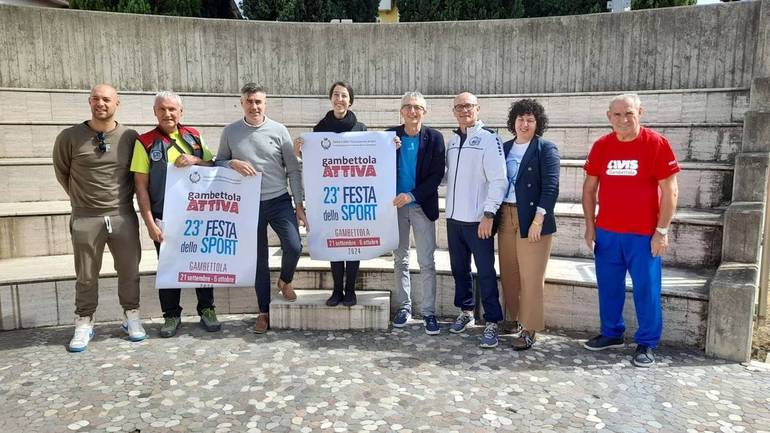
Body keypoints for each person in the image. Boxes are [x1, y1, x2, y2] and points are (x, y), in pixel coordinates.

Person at [582, 93, 679, 368]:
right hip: (608, 232)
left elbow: (670, 191)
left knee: (646, 289)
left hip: (643, 235)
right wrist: (591, 225)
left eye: (629, 114)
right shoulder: (602, 146)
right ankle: (612, 333)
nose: (623, 120)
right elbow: (589, 189)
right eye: (618, 115)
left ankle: (647, 342)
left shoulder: (656, 144)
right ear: (609, 117)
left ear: (640, 113)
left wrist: (662, 230)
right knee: (609, 287)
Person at [53, 84, 145, 352]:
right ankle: (84, 321)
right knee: (86, 274)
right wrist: (82, 201)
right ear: (89, 102)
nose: (101, 103)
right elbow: (63, 173)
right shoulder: (69, 137)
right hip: (86, 218)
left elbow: (136, 174)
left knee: (129, 270)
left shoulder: (130, 136)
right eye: (95, 99)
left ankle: (132, 317)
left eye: (106, 99)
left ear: (117, 103)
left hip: (122, 215)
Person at [216, 83, 306, 334]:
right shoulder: (231, 132)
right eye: (249, 101)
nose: (254, 106)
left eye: (259, 102)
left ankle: (285, 280)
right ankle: (263, 312)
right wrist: (231, 163)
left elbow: (293, 170)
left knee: (294, 245)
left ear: (265, 104)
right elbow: (218, 162)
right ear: (241, 102)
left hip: (278, 200)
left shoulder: (279, 130)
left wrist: (298, 205)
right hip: (246, 204)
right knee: (259, 260)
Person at [130, 91, 219, 338]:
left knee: (202, 263)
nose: (167, 114)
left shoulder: (194, 136)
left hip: (197, 214)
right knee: (168, 267)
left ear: (181, 112)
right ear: (155, 112)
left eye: (172, 109)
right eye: (162, 109)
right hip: (163, 216)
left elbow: (213, 165)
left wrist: (195, 160)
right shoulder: (144, 142)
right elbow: (140, 187)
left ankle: (207, 309)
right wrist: (149, 223)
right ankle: (171, 315)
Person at [294, 81, 367, 307]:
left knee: (353, 243)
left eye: (344, 95)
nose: (339, 99)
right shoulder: (319, 129)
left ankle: (351, 290)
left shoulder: (361, 128)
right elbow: (315, 161)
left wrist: (389, 144)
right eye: (336, 95)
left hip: (353, 194)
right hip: (330, 195)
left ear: (350, 100)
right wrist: (299, 151)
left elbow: (370, 156)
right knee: (336, 243)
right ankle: (336, 291)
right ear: (330, 99)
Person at [445, 92, 507, 348]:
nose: (463, 110)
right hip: (453, 219)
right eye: (459, 106)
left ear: (477, 109)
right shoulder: (451, 141)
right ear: (454, 111)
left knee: (485, 272)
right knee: (459, 270)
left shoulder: (489, 139)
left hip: (479, 220)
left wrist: (489, 214)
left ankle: (492, 321)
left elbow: (499, 179)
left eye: (468, 105)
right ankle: (467, 312)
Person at [496, 99, 560, 351]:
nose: (525, 123)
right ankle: (513, 318)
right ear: (513, 122)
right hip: (506, 215)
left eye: (530, 120)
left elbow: (551, 187)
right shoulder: (505, 147)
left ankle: (529, 328)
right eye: (521, 119)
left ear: (538, 123)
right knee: (509, 272)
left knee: (531, 276)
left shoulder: (546, 148)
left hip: (532, 218)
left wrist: (539, 219)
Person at [388, 92, 445, 335]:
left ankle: (429, 312)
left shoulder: (434, 138)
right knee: (400, 259)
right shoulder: (389, 136)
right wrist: (388, 149)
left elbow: (435, 177)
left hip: (421, 206)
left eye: (417, 108)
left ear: (425, 111)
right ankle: (404, 307)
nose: (412, 111)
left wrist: (411, 195)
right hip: (396, 209)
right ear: (401, 111)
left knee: (426, 261)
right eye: (408, 107)